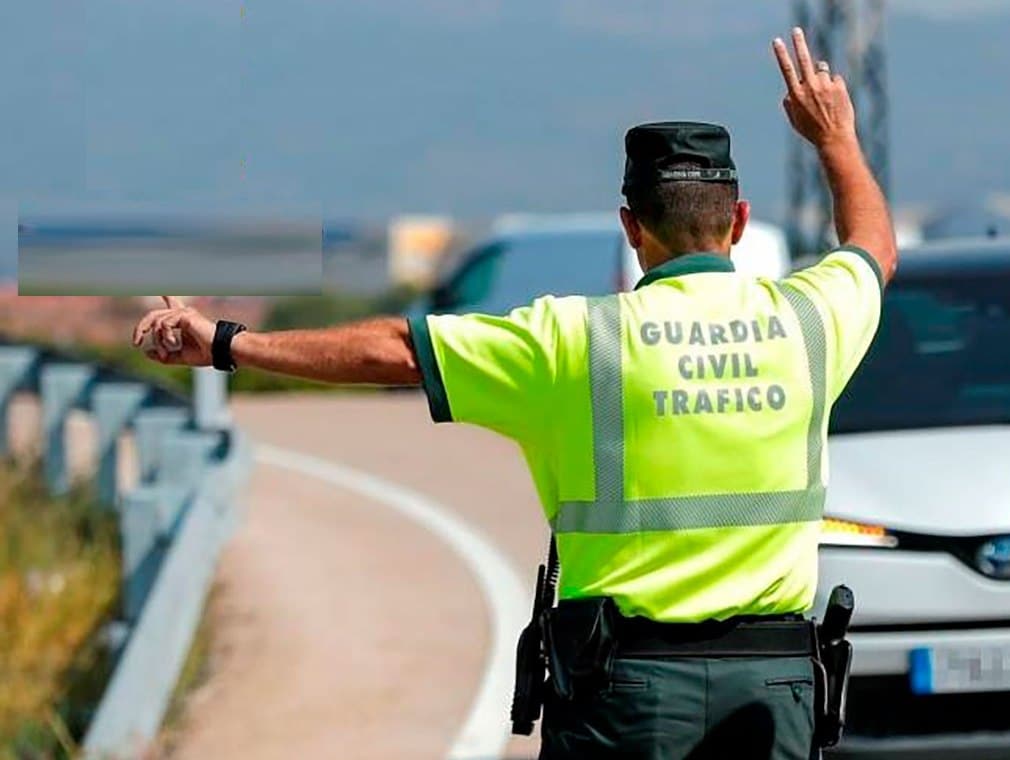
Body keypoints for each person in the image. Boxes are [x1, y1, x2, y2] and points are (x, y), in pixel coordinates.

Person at [133, 28, 896, 760]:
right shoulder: (810, 320)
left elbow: (397, 350)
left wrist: (229, 341)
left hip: (628, 693)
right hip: (773, 685)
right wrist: (834, 140)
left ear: (632, 227)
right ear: (739, 221)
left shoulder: (574, 340)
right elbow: (871, 249)